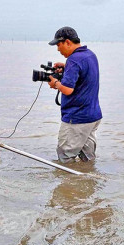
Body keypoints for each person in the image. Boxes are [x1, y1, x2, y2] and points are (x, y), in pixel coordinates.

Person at [47, 26, 102, 163]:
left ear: (67, 42)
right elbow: (84, 75)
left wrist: (55, 83)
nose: (58, 49)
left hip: (77, 118)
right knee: (87, 159)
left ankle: (68, 184)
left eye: (59, 45)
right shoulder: (90, 55)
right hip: (92, 116)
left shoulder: (74, 60)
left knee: (65, 157)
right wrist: (66, 67)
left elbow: (67, 89)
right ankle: (87, 181)